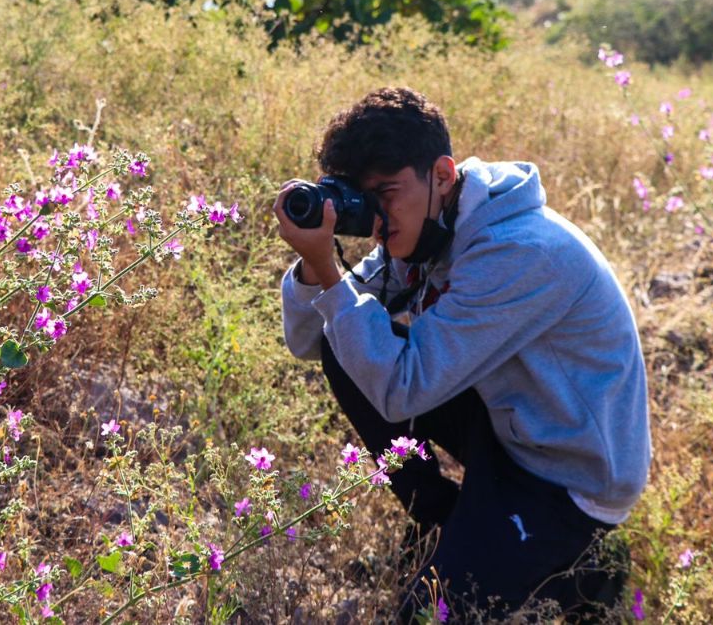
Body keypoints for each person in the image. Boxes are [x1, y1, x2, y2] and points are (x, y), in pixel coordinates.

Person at [274, 87, 651, 621]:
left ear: (443, 175)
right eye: (363, 198)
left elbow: (405, 387)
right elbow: (310, 340)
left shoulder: (518, 252)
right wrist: (317, 267)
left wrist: (336, 285)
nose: (378, 217)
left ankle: (587, 563)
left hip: (569, 480)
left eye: (387, 191)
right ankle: (439, 517)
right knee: (346, 337)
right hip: (512, 429)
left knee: (427, 614)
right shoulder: (430, 223)